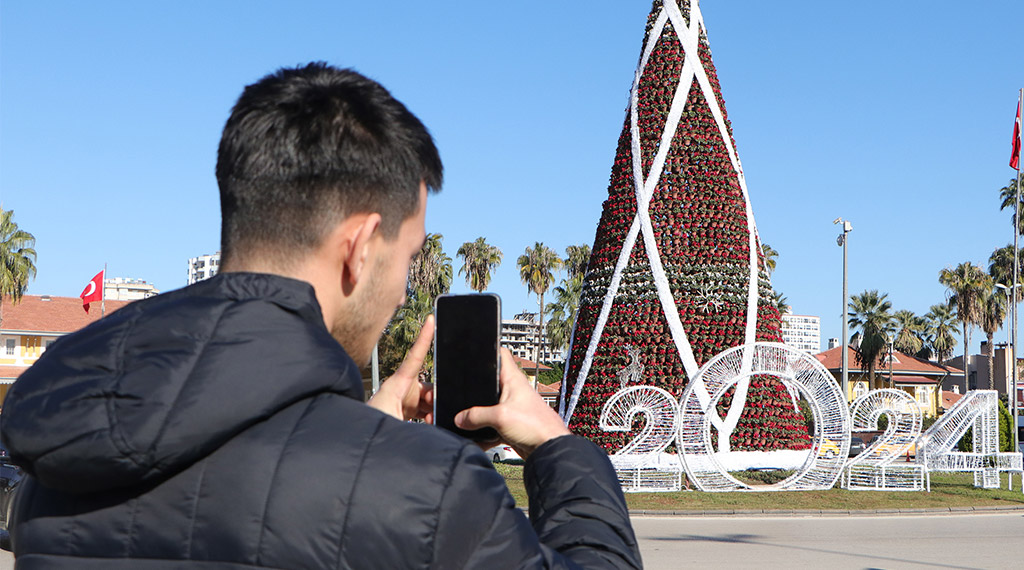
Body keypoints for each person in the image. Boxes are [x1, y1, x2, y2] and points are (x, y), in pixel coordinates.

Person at [0, 62, 641, 569]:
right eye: (408, 257)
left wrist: (357, 430)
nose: (402, 292)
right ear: (359, 249)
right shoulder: (431, 493)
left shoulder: (56, 473)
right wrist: (558, 447)